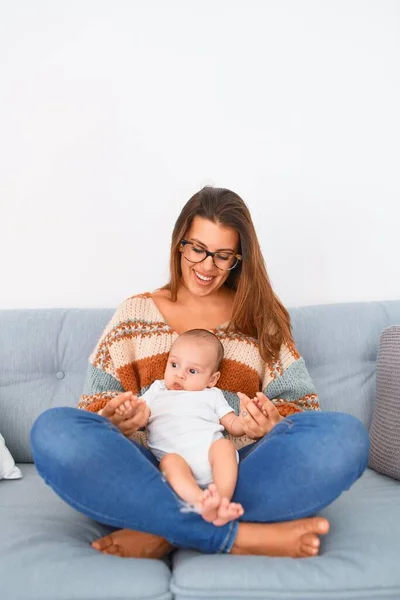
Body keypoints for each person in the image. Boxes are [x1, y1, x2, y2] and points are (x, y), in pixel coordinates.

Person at [30, 186, 370, 559]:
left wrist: (271, 425)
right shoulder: (133, 315)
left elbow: (304, 410)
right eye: (198, 249)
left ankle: (161, 531)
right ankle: (237, 536)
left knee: (346, 436)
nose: (207, 267)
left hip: (236, 473)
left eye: (223, 256)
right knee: (53, 430)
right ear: (180, 243)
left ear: (239, 259)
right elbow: (91, 411)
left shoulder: (261, 321)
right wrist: (115, 421)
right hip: (148, 472)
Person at [115, 328, 246, 526]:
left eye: (192, 371)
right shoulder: (157, 390)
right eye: (174, 364)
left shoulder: (212, 394)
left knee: (225, 447)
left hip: (212, 457)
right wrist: (128, 411)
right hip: (178, 463)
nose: (180, 375)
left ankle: (221, 499)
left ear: (212, 379)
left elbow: (232, 425)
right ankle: (200, 503)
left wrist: (245, 420)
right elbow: (139, 416)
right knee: (169, 462)